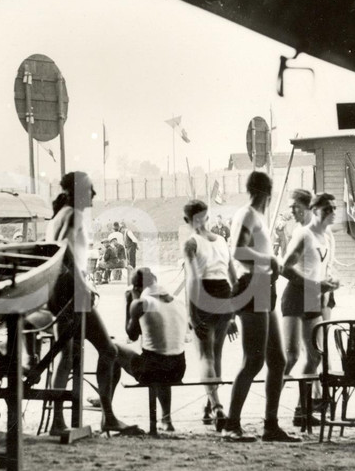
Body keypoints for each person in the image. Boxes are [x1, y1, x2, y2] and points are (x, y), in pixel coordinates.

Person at [44, 171, 139, 436]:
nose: (94, 194)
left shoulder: (59, 216)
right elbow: (64, 253)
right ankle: (107, 417)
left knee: (67, 355)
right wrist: (84, 284)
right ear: (77, 191)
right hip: (71, 291)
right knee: (108, 351)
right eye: (90, 189)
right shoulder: (72, 215)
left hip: (60, 290)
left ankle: (58, 421)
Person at [224, 171, 300, 443]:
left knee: (277, 360)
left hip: (264, 287)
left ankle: (271, 425)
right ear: (266, 193)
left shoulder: (257, 217)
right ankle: (231, 424)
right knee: (254, 360)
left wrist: (271, 262)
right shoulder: (247, 215)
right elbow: (238, 252)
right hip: (252, 286)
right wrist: (270, 259)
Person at [281, 192, 339, 428]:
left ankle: (302, 410)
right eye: (327, 209)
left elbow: (324, 267)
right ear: (314, 211)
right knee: (292, 356)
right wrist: (315, 285)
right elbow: (285, 268)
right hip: (295, 297)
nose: (332, 213)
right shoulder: (303, 234)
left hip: (314, 298)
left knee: (315, 355)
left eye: (334, 209)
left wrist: (329, 283)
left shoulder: (326, 236)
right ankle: (271, 410)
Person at [183, 199, 239, 430]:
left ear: (187, 220)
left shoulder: (191, 243)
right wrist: (233, 314)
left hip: (204, 295)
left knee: (205, 357)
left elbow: (192, 279)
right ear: (206, 216)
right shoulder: (222, 241)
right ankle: (210, 405)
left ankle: (217, 407)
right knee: (217, 356)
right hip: (224, 296)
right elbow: (233, 278)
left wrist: (191, 314)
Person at [115, 268, 187, 433]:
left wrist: (129, 303)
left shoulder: (140, 303)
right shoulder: (178, 301)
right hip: (178, 370)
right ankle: (166, 419)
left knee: (112, 349)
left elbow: (132, 335)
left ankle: (107, 411)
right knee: (162, 357)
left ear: (136, 288)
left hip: (152, 371)